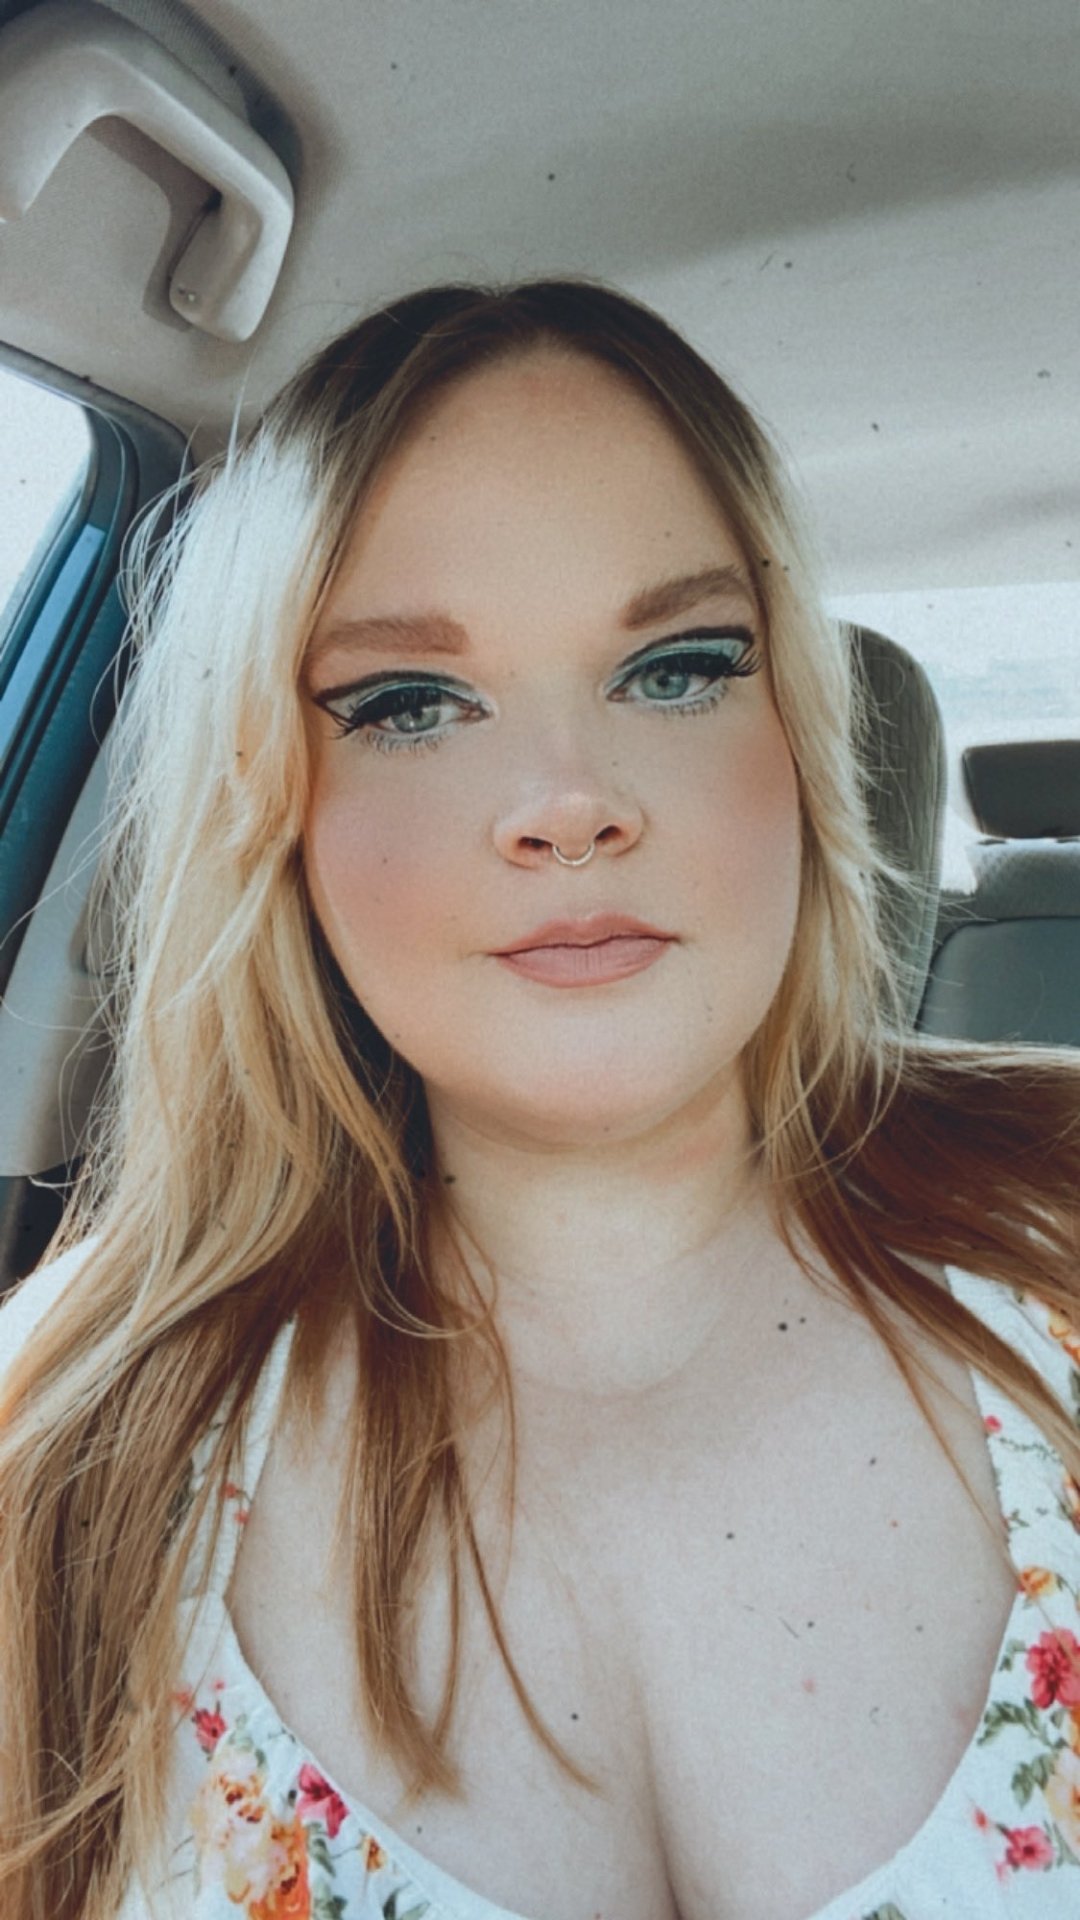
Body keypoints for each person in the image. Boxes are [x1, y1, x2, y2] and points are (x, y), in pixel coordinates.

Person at [1, 278, 1078, 1920]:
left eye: (677, 667)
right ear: (272, 803)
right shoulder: (62, 1448)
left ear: (796, 736)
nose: (569, 803)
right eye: (409, 704)